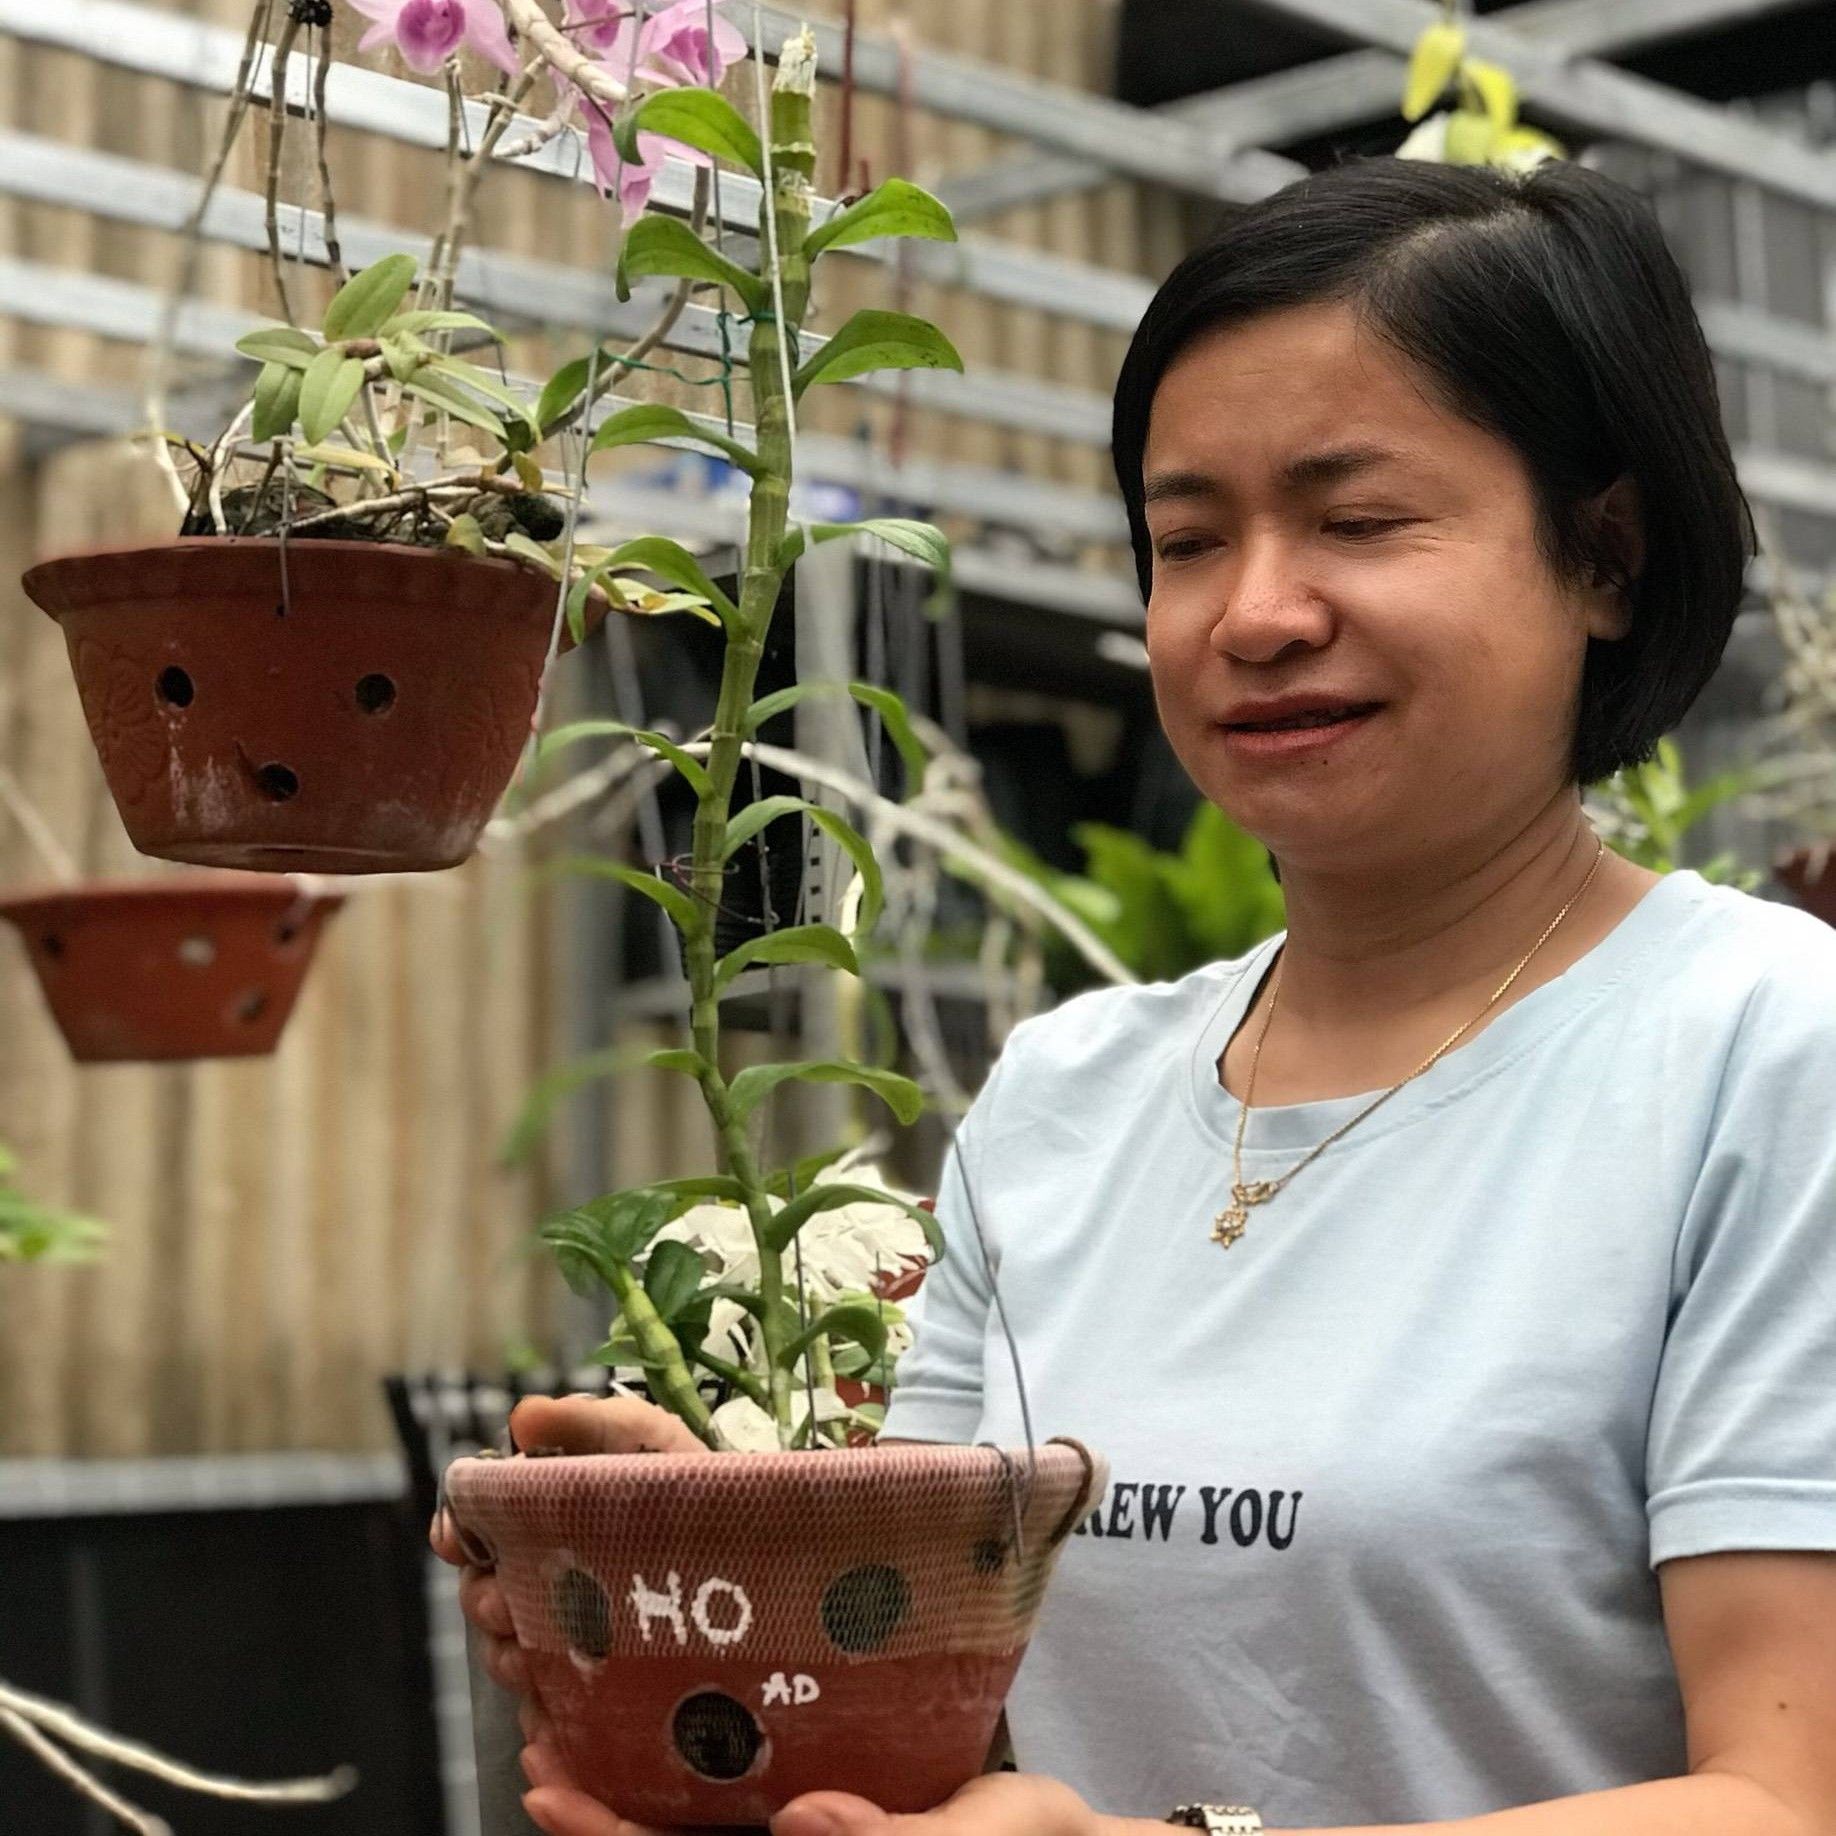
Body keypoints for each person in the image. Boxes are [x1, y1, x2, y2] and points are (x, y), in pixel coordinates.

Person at [435, 156, 1836, 1836]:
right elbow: (935, 1720)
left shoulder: (1763, 1049)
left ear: (1604, 556)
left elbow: (1786, 1795)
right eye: (1187, 540)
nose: (1254, 614)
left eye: (1357, 520)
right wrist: (726, 1587)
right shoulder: (1064, 1097)